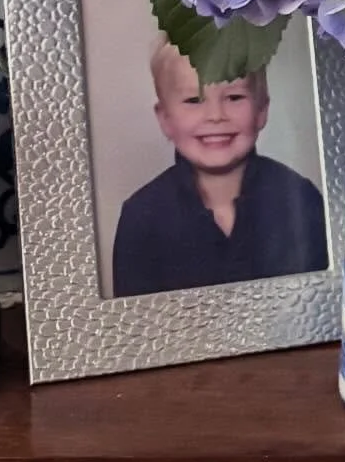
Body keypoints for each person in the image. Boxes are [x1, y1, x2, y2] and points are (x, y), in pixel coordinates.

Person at [112, 39, 328, 298]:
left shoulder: (301, 199)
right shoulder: (141, 216)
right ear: (165, 118)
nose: (215, 115)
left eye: (234, 97)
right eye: (194, 99)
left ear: (262, 110)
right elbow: (136, 326)